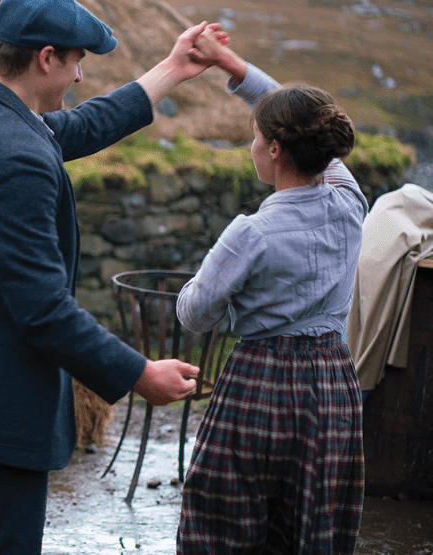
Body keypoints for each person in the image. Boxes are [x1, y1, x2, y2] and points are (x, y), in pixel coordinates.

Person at [0, 0, 216, 551]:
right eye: (77, 61)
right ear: (47, 58)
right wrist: (139, 375)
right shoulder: (13, 155)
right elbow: (43, 310)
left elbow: (80, 125)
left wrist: (172, 69)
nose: (81, 75)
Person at [175, 31, 365, 554]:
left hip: (260, 383)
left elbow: (193, 315)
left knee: (224, 523)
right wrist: (232, 65)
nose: (251, 146)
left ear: (276, 149)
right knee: (311, 524)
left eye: (256, 138)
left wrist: (209, 280)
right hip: (331, 384)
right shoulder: (351, 201)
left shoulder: (249, 235)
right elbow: (308, 121)